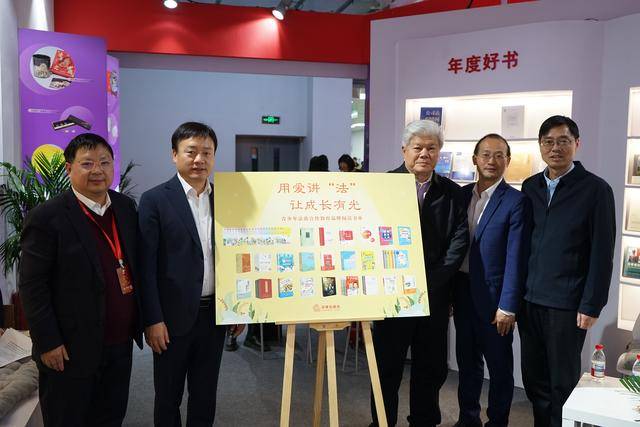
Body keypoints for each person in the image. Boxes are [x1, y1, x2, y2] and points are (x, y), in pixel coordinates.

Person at [20, 133, 143, 426]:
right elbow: (33, 286)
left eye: (104, 162)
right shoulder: (47, 217)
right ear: (68, 168)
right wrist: (48, 342)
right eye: (87, 163)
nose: (97, 170)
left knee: (111, 417)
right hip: (69, 349)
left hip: (119, 345)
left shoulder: (125, 208)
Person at [138, 122, 244, 426]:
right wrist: (152, 319)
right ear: (174, 155)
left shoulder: (226, 198)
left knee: (205, 395)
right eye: (191, 152)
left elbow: (236, 255)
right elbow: (146, 266)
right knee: (168, 396)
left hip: (214, 316)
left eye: (207, 153)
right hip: (170, 320)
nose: (199, 159)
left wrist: (236, 308)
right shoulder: (155, 200)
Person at [371, 119, 469, 427]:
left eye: (431, 148)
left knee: (430, 367)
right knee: (386, 367)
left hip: (433, 296)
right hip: (391, 295)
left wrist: (430, 282)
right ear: (404, 150)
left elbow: (458, 242)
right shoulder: (382, 187)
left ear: (439, 152)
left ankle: (424, 421)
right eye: (418, 147)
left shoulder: (452, 192)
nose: (424, 153)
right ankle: (381, 422)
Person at [519, 115, 616, 427]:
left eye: (563, 141)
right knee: (534, 380)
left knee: (561, 382)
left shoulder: (596, 190)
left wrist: (592, 304)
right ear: (540, 146)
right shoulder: (531, 186)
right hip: (529, 300)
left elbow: (602, 252)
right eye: (548, 142)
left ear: (577, 144)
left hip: (567, 304)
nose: (555, 148)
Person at [453, 134, 531, 427]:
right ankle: (468, 419)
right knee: (467, 363)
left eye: (499, 155)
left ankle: (497, 422)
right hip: (462, 292)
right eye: (486, 154)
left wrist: (508, 306)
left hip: (495, 299)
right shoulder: (461, 196)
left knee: (499, 368)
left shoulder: (516, 201)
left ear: (508, 161)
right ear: (475, 159)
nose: (492, 161)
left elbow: (516, 257)